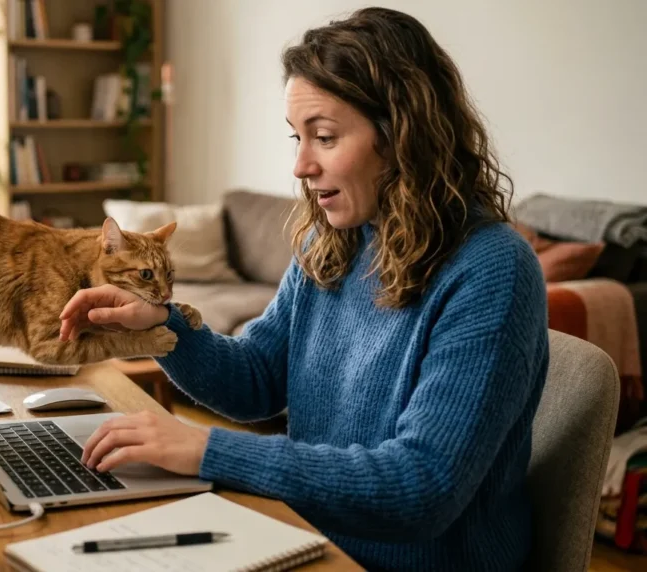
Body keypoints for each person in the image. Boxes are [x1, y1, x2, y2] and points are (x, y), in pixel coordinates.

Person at [58, 6, 549, 572]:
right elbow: (255, 382)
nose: (300, 165)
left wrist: (205, 449)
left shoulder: (492, 270)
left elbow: (422, 488)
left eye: (324, 137)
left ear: (401, 135)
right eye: (298, 138)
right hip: (303, 539)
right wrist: (162, 327)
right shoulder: (331, 246)